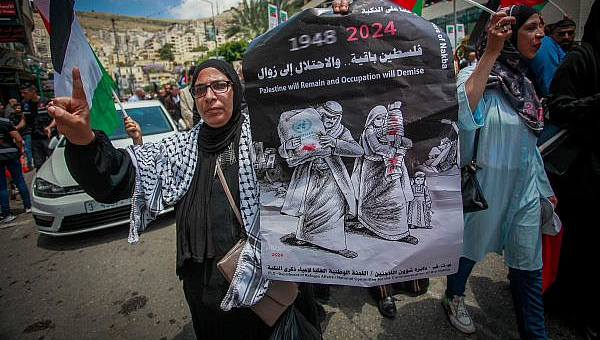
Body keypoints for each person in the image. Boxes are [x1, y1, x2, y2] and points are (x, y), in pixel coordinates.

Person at [48, 61, 319, 339]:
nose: (210, 96)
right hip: (209, 295)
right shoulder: (180, 148)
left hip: (268, 286)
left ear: (236, 90)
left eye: (219, 86)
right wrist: (84, 140)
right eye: (200, 89)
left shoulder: (266, 135)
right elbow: (119, 176)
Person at [443, 5, 556, 339]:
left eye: (542, 28)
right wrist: (490, 54)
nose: (540, 35)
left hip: (524, 191)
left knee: (528, 268)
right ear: (509, 33)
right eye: (532, 28)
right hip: (485, 187)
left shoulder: (524, 85)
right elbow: (461, 111)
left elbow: (530, 146)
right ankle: (454, 296)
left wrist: (543, 185)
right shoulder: (477, 74)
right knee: (469, 251)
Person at [544, 0, 600, 339]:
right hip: (582, 171)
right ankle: (575, 307)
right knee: (584, 244)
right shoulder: (581, 59)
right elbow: (559, 108)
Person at [279, 101, 363, 259]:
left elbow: (358, 150)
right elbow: (284, 153)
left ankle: (337, 245)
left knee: (334, 209)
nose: (330, 122)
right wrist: (287, 146)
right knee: (308, 207)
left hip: (332, 177)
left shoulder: (340, 131)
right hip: (309, 175)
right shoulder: (305, 124)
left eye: (334, 119)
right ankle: (305, 237)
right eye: (327, 117)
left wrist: (335, 143)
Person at [350, 104, 418, 245]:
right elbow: (377, 148)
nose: (382, 121)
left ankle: (399, 231)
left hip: (388, 170)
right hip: (372, 172)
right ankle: (369, 224)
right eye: (379, 118)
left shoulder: (386, 130)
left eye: (384, 118)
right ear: (372, 119)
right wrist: (393, 147)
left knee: (396, 199)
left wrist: (400, 140)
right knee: (370, 201)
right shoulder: (368, 131)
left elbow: (406, 142)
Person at [530, 17, 576, 97]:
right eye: (561, 33)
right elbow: (550, 89)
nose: (566, 37)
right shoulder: (545, 45)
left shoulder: (560, 49)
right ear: (551, 34)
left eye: (570, 33)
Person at [0, 116, 32, 222]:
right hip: (11, 154)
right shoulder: (5, 121)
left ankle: (6, 213)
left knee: (2, 186)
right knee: (19, 180)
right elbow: (18, 139)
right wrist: (19, 150)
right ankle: (28, 206)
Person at [20, 85, 55, 169]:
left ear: (33, 91)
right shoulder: (25, 104)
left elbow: (56, 118)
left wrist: (49, 127)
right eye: (21, 93)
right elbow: (23, 120)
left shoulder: (46, 101)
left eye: (25, 93)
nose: (22, 95)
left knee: (53, 161)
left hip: (47, 137)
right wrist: (14, 128)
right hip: (34, 138)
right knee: (39, 164)